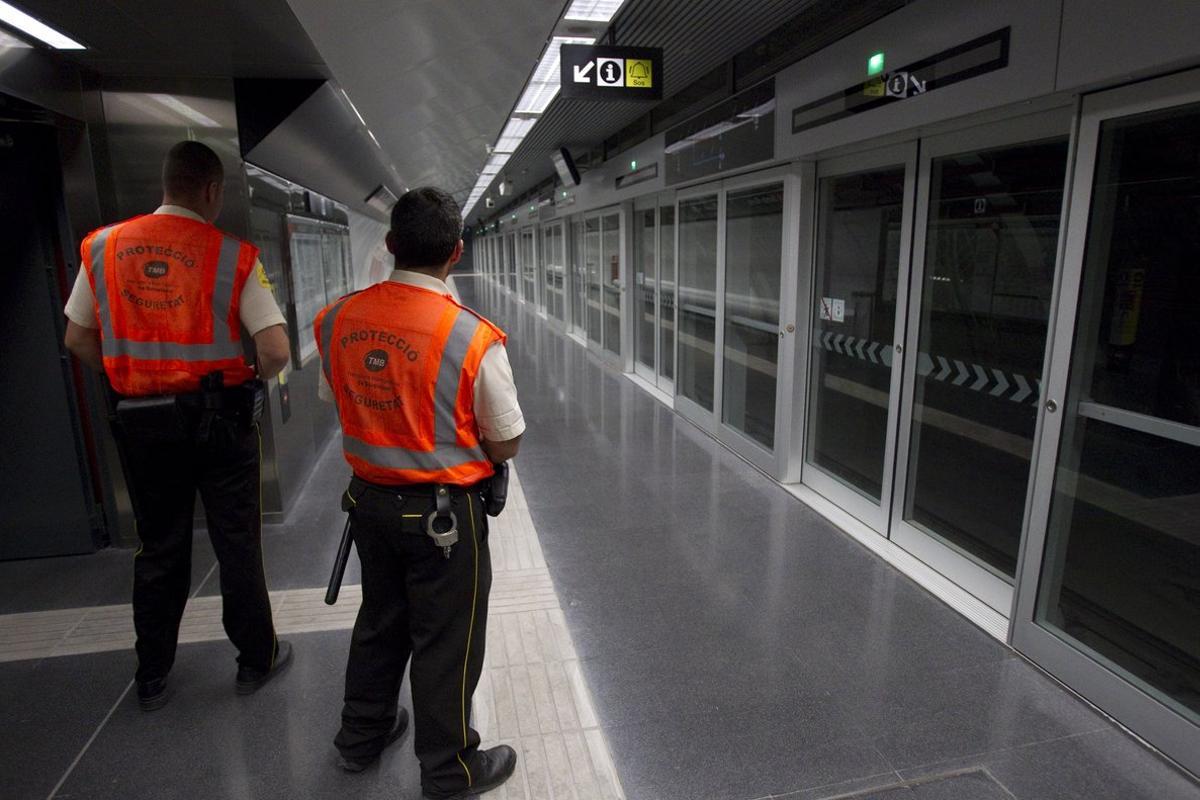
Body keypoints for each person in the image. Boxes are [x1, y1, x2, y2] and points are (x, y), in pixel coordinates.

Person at [63, 140, 294, 710]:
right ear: (212, 191)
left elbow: (77, 337)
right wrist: (242, 384)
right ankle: (253, 660)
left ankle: (152, 676)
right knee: (236, 541)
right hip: (219, 421)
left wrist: (127, 376)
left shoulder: (102, 248)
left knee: (159, 546)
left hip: (142, 423)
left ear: (165, 184)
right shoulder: (232, 255)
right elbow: (274, 350)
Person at [314, 187, 523, 799]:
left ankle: (361, 738)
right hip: (443, 520)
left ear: (389, 245)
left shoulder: (337, 318)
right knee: (446, 637)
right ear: (455, 252)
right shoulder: (471, 336)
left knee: (380, 621)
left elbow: (340, 404)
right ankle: (450, 768)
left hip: (368, 507)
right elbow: (505, 441)